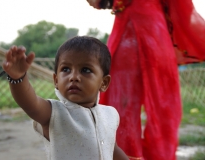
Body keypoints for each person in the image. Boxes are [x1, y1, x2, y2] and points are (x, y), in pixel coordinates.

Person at [87, 0, 205, 160]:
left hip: (135, 29)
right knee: (160, 100)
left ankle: (123, 155)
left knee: (122, 101)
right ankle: (156, 155)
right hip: (153, 29)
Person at [2, 36, 129, 160]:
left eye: (85, 70)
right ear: (56, 80)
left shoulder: (110, 114)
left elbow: (112, 149)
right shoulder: (54, 113)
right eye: (66, 69)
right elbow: (31, 104)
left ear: (104, 82)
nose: (73, 77)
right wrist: (18, 78)